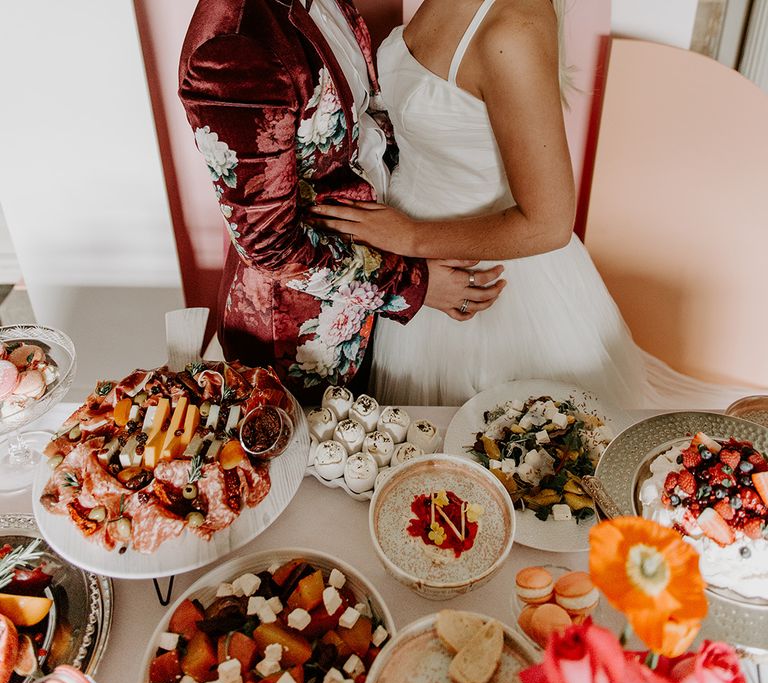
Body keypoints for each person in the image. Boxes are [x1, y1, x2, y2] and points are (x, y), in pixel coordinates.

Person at [308, 0, 753, 408]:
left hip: (482, 279)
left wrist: (409, 235)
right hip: (413, 267)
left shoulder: (513, 28)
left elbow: (549, 224)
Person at [178, 0, 505, 403]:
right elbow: (270, 247)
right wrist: (415, 286)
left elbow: (359, 124)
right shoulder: (235, 47)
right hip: (303, 342)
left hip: (373, 284)